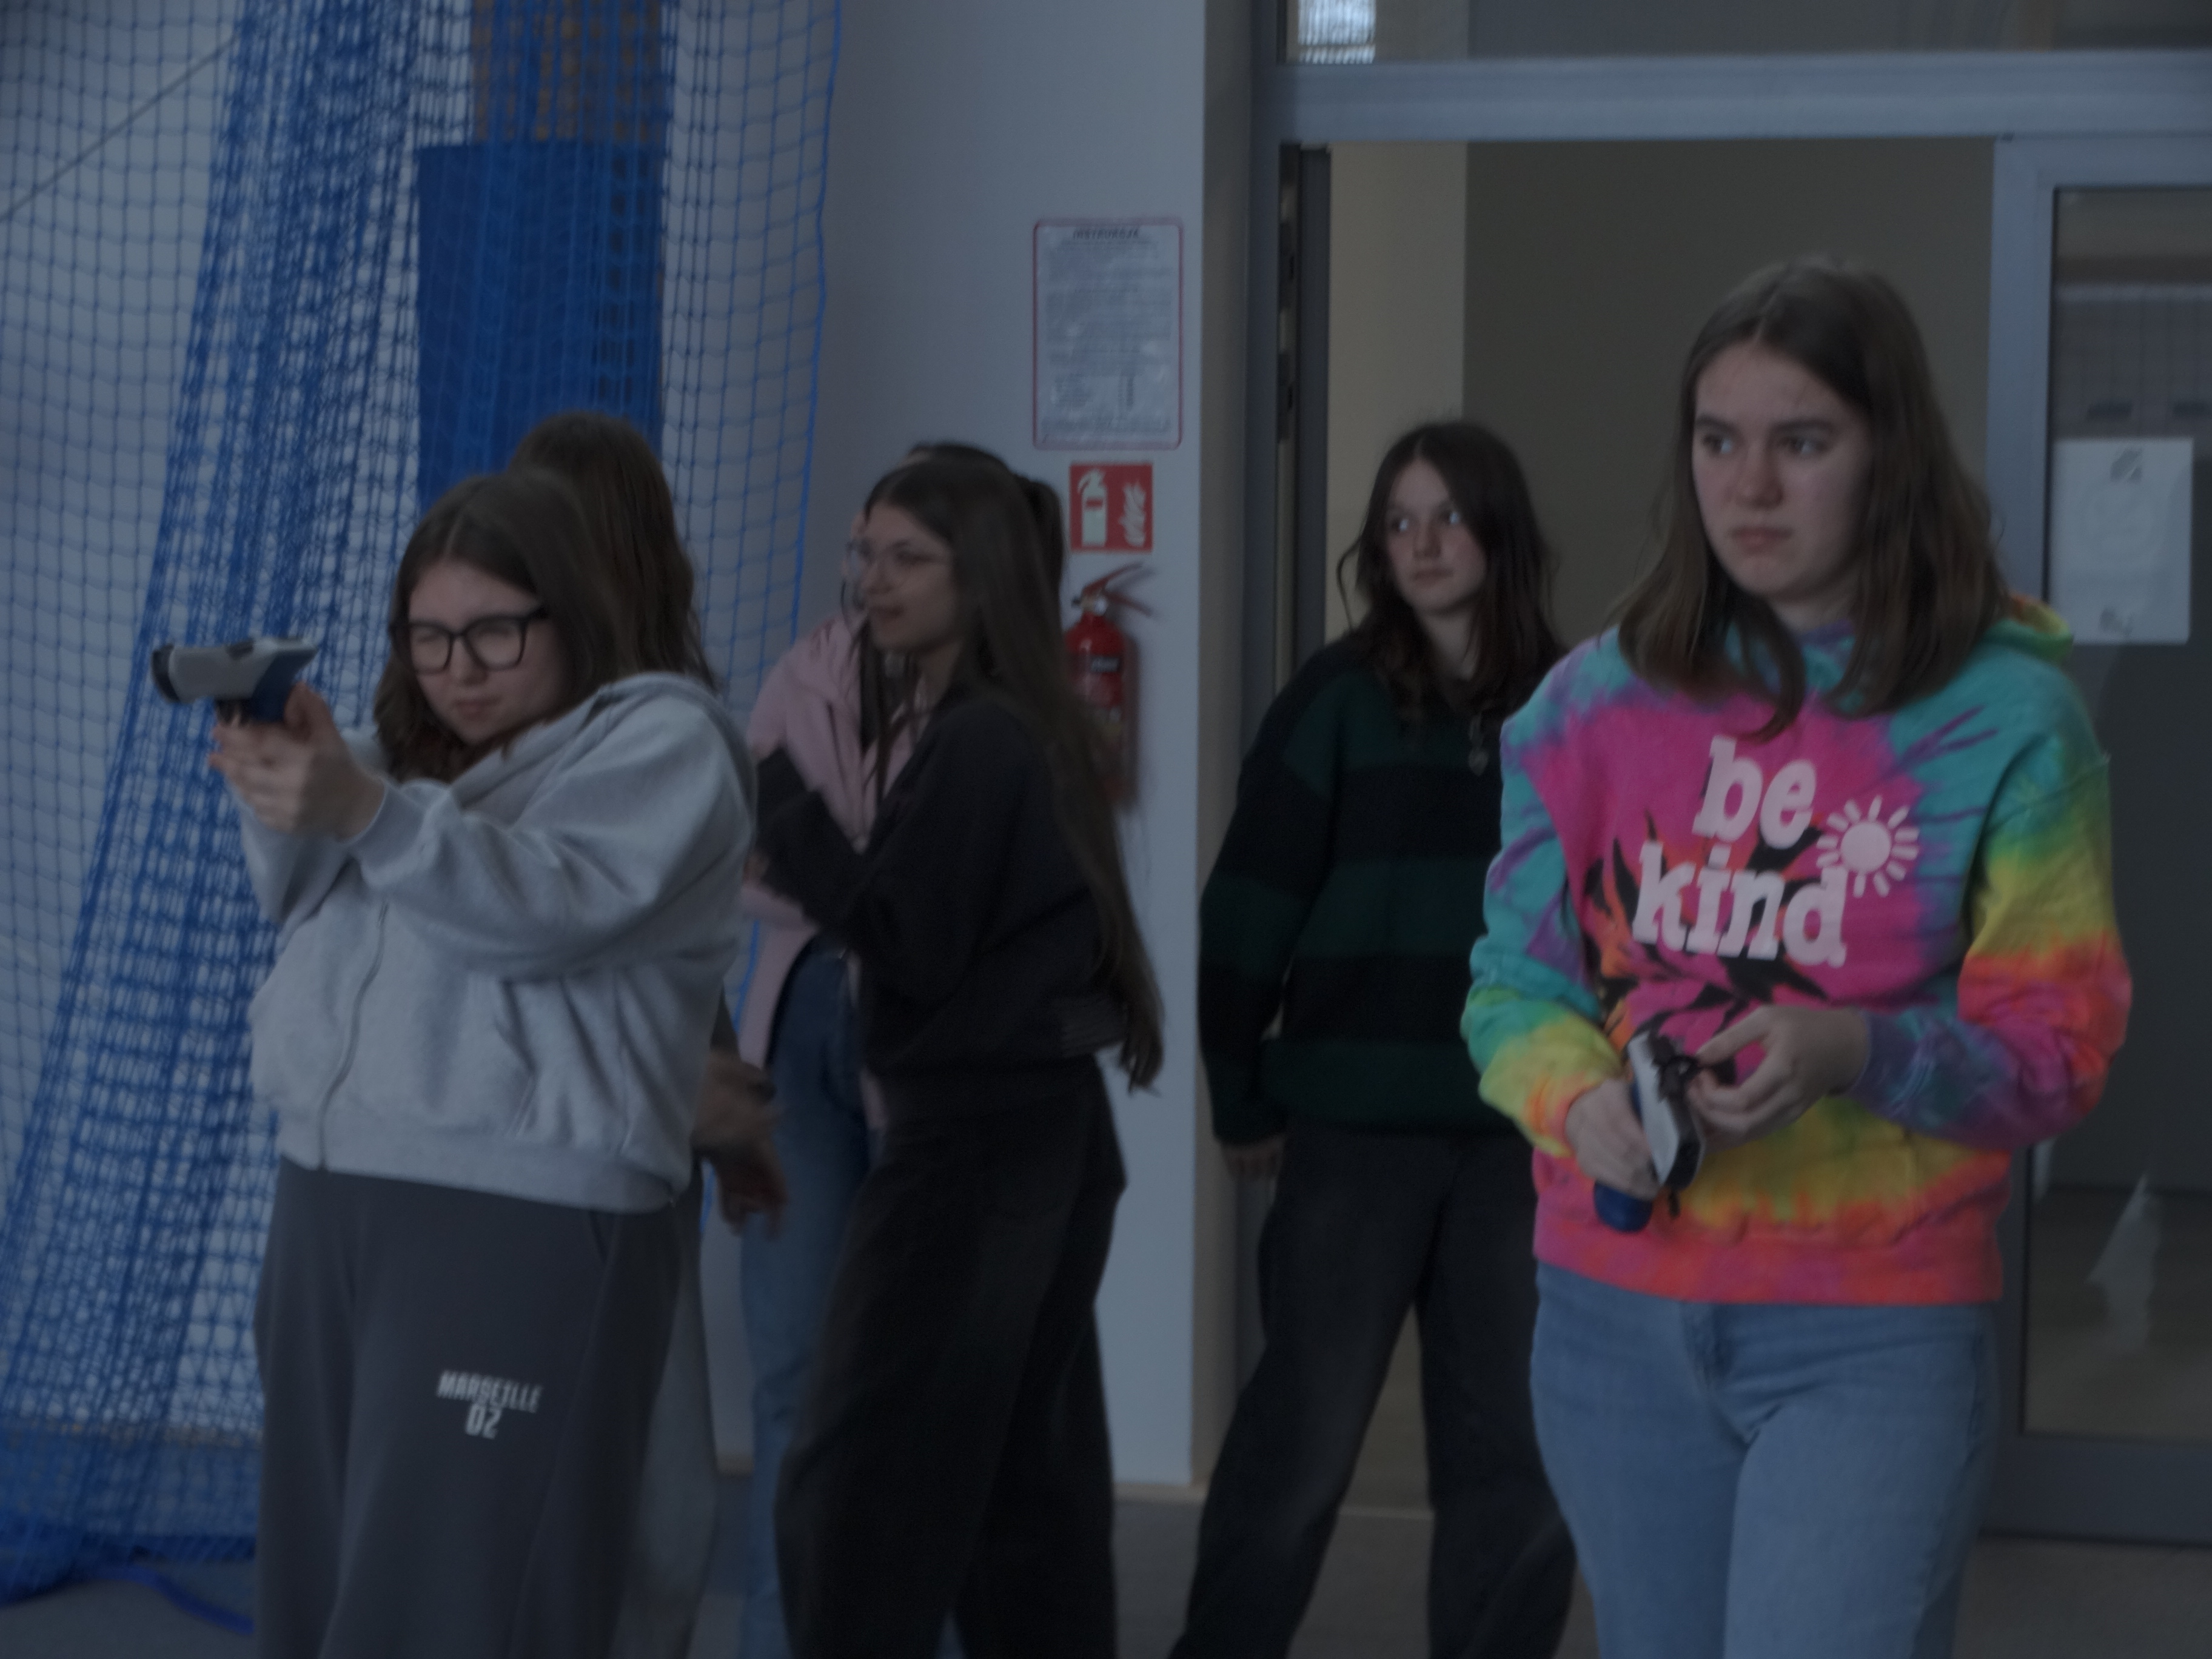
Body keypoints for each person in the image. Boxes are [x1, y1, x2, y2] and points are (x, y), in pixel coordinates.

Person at [1461, 257, 2132, 1659]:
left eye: (1803, 442)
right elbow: (1514, 988)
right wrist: (1581, 1104)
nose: (1751, 487)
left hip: (1874, 1328)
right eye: (1719, 441)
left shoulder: (2009, 720)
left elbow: (2056, 1056)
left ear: (1889, 457)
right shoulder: (1590, 704)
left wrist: (1859, 1051)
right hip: (1612, 1316)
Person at [213, 467, 755, 1658]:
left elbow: (540, 908)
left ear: (574, 611)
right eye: (429, 636)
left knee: (460, 1601)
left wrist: (361, 810)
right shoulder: (396, 766)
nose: (459, 668)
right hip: (333, 1194)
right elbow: (300, 899)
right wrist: (281, 790)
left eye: (496, 632)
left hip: (523, 1215)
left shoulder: (667, 747)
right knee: (320, 1586)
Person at [1175, 421, 1575, 1659]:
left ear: (1500, 531)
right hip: (1351, 1139)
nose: (1423, 544)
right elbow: (1246, 908)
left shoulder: (1577, 705)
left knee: (1519, 1457)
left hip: (1522, 1138)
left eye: (1448, 516)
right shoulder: (1334, 700)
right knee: (1299, 1446)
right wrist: (1240, 1096)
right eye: (1399, 522)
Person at [754, 454, 1162, 1659]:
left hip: (975, 1156)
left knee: (860, 1482)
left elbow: (910, 940)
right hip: (1032, 1142)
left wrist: (776, 802)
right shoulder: (1016, 727)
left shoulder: (984, 738)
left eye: (908, 559)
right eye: (864, 555)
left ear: (979, 576)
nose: (872, 582)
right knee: (1022, 1486)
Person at [508, 408, 785, 1659]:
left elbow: (683, 954)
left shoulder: (668, 730)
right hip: (523, 1175)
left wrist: (720, 1113)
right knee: (551, 1502)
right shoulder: (487, 736)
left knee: (662, 1515)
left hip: (637, 1164)